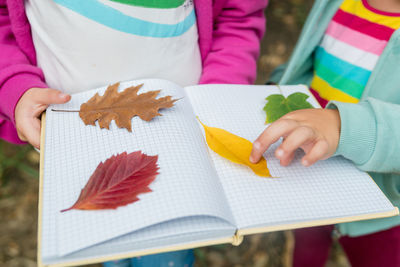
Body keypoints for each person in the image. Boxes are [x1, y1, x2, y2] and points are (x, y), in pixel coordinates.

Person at [0, 0, 267, 266]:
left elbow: (237, 17)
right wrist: (13, 83)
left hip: (183, 141)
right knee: (104, 229)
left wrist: (215, 96)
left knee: (165, 245)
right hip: (73, 141)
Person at [250, 0, 400, 266]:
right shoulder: (334, 3)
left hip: (381, 208)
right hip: (310, 171)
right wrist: (278, 87)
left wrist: (342, 126)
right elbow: (308, 63)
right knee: (307, 246)